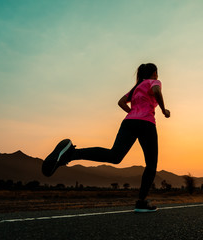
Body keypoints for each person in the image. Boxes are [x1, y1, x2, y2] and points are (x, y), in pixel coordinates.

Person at [42, 63, 170, 212]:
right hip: (146, 124)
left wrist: (133, 113)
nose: (158, 75)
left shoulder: (136, 88)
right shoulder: (154, 82)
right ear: (154, 73)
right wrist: (163, 110)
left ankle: (70, 154)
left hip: (129, 122)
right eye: (157, 72)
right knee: (151, 164)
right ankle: (141, 202)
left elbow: (121, 102)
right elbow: (156, 91)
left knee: (114, 155)